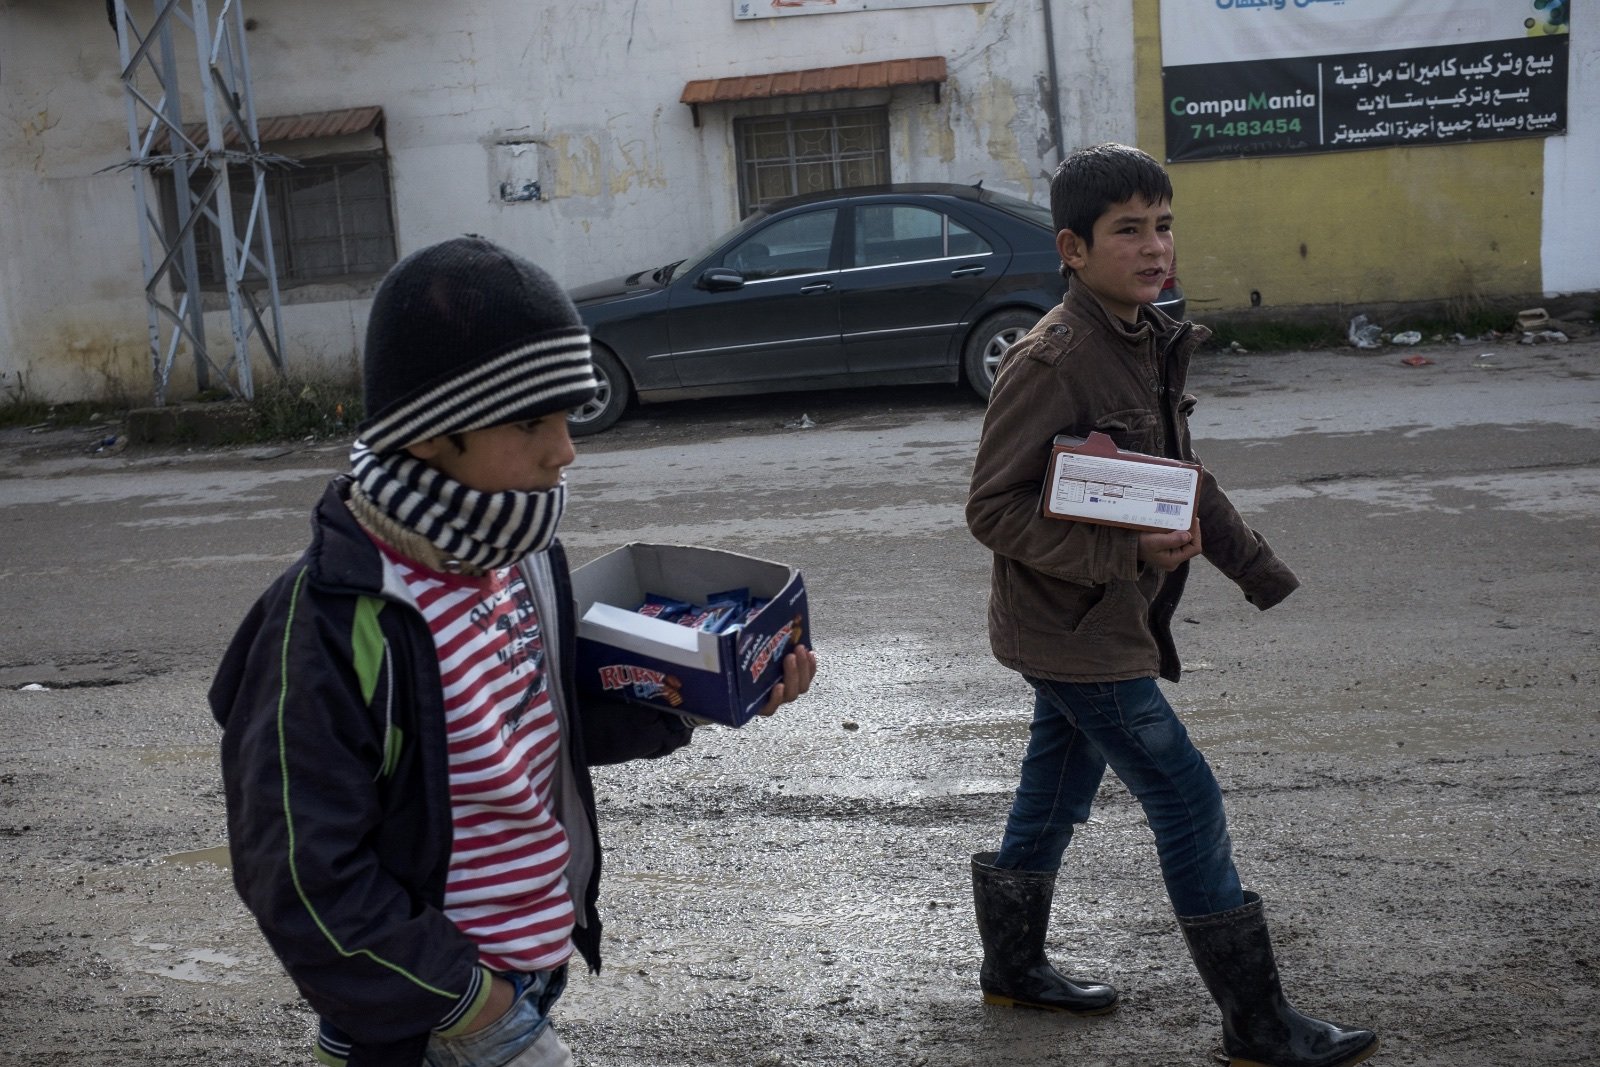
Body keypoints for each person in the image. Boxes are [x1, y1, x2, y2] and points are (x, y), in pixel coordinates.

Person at [209, 235, 817, 1067]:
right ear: (428, 433)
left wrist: (709, 690)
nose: (564, 450)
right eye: (532, 420)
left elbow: (543, 725)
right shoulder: (328, 621)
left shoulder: (522, 551)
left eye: (569, 415)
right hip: (426, 1011)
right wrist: (467, 999)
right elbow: (300, 878)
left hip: (531, 962)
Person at [964, 144, 1376, 1067]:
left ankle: (1013, 967)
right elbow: (991, 506)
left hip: (1095, 624)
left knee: (1056, 788)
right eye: (1129, 232)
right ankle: (1257, 1024)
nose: (1155, 248)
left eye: (1164, 225)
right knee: (1187, 800)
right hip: (1078, 633)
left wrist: (1255, 567)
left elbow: (1179, 478)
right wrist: (1121, 553)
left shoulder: (1144, 335)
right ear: (1073, 247)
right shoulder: (1055, 358)